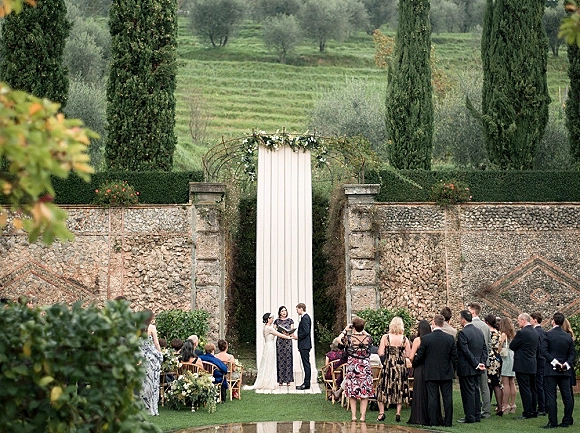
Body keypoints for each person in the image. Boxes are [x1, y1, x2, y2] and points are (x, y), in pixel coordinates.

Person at [412, 314, 457, 427]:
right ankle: (448, 421)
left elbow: (420, 356)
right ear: (442, 324)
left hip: (431, 371)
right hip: (446, 372)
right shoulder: (449, 338)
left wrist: (414, 364)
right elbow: (454, 357)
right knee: (447, 398)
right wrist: (453, 369)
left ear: (433, 323)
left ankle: (434, 421)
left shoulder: (426, 339)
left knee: (432, 397)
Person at [540, 312, 575, 429]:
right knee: (567, 397)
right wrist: (565, 364)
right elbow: (572, 354)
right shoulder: (568, 336)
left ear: (553, 321)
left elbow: (544, 351)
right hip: (565, 371)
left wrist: (554, 362)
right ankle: (567, 420)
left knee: (551, 396)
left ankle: (553, 422)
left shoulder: (547, 335)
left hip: (551, 370)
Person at [339, 317, 374, 422]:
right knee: (364, 392)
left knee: (352, 391)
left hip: (353, 365)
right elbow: (369, 337)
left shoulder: (350, 338)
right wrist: (362, 329)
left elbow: (338, 340)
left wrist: (346, 330)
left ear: (353, 327)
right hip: (365, 366)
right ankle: (362, 416)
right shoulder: (368, 338)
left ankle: (354, 416)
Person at [376, 316, 410, 423]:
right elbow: (408, 354)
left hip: (389, 365)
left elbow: (380, 352)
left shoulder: (385, 337)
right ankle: (398, 413)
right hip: (400, 366)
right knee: (399, 388)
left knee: (382, 388)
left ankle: (381, 413)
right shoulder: (404, 339)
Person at [247, 312, 293, 392]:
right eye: (271, 318)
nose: (272, 320)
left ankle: (267, 381)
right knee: (269, 363)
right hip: (270, 346)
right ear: (268, 319)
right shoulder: (269, 328)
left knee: (268, 363)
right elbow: (279, 334)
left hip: (268, 345)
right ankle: (268, 383)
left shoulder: (266, 327)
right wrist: (288, 337)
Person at [456, 310, 488, 424]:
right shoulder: (479, 331)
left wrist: (476, 363)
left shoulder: (463, 333)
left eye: (460, 318)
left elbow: (465, 351)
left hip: (467, 367)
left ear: (463, 319)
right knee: (475, 391)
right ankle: (477, 415)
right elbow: (485, 348)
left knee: (467, 392)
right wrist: (481, 362)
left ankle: (470, 416)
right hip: (477, 366)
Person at [510, 313, 539, 419]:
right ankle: (533, 410)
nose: (518, 323)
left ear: (523, 320)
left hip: (522, 364)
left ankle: (527, 412)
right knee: (532, 388)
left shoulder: (522, 333)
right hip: (532, 363)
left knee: (525, 389)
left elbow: (512, 345)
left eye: (518, 320)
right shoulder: (535, 332)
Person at [467, 302, 491, 419]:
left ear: (472, 312)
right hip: (484, 360)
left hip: (473, 361)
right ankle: (486, 411)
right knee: (484, 387)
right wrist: (484, 359)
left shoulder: (470, 325)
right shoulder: (485, 326)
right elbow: (489, 345)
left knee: (473, 387)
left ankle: (474, 410)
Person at [407, 319, 433, 426]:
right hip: (430, 367)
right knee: (430, 392)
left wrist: (414, 361)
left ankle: (419, 416)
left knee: (419, 391)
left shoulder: (418, 340)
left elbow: (411, 356)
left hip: (420, 368)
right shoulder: (432, 338)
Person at [139, 310, 163, 416]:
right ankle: (152, 408)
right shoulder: (152, 327)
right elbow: (156, 343)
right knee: (153, 383)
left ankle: (144, 407)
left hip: (141, 357)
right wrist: (160, 354)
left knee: (143, 383)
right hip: (151, 358)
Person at [484, 314, 503, 416]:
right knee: (496, 383)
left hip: (489, 359)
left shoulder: (488, 333)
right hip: (497, 358)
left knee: (488, 383)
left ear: (487, 322)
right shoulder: (498, 332)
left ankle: (486, 406)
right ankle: (500, 407)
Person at [498, 316, 517, 414]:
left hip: (506, 358)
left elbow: (500, 347)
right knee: (512, 382)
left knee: (505, 383)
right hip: (513, 356)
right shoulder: (513, 334)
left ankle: (505, 405)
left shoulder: (503, 334)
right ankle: (512, 404)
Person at [531, 311, 548, 416]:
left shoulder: (535, 332)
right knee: (542, 384)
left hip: (538, 360)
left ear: (535, 320)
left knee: (538, 384)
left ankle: (541, 407)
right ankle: (545, 405)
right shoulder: (544, 332)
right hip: (543, 360)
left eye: (531, 319)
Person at [292, 303, 312, 390]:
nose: (297, 311)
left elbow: (306, 331)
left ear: (301, 309)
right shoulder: (305, 317)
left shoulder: (305, 318)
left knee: (306, 364)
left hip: (305, 344)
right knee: (305, 364)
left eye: (297, 309)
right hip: (304, 344)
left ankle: (306, 383)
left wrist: (298, 337)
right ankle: (306, 382)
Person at [274, 305, 294, 385]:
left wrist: (288, 333)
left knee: (288, 359)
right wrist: (280, 332)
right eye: (282, 311)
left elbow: (292, 331)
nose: (284, 312)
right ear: (279, 312)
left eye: (285, 310)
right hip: (280, 342)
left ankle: (288, 380)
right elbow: (274, 331)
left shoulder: (290, 320)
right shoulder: (277, 321)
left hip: (288, 341)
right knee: (280, 360)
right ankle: (280, 380)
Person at [561, 318, 576, 418]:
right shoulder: (570, 337)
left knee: (568, 393)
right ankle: (568, 415)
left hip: (566, 366)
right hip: (568, 366)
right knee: (568, 392)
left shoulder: (567, 338)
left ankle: (568, 415)